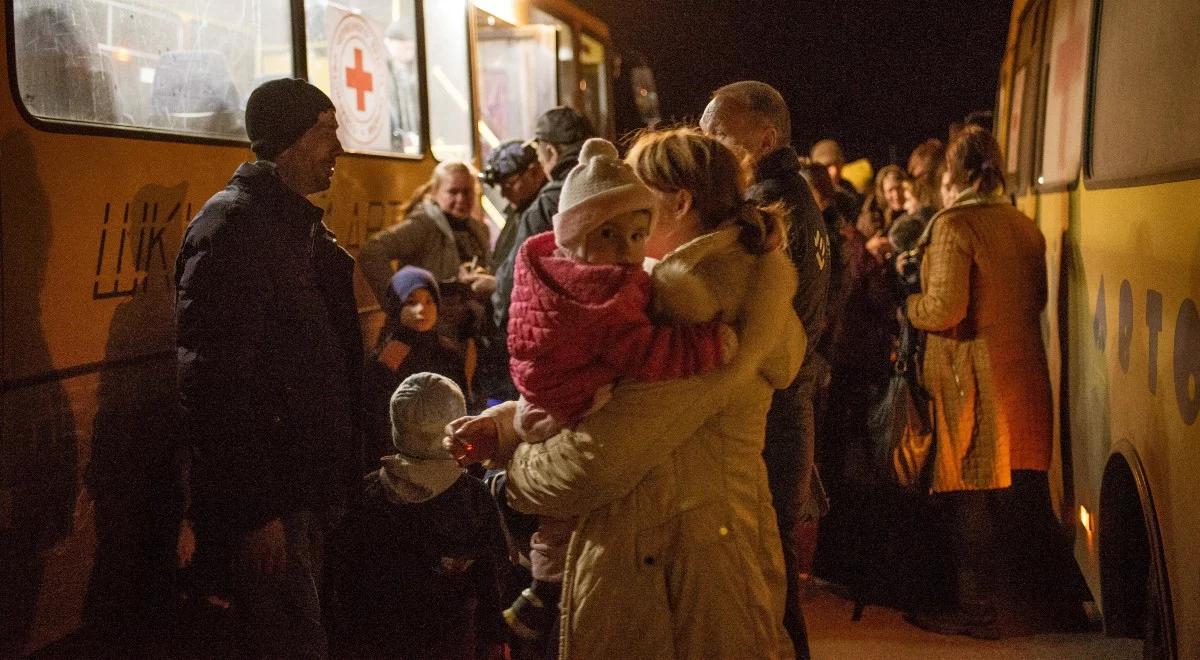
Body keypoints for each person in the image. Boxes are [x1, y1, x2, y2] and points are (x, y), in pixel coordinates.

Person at [447, 128, 804, 659]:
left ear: (679, 204)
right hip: (683, 561)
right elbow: (600, 387)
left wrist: (511, 478)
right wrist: (502, 425)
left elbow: (596, 462)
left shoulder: (699, 309)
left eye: (641, 196)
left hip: (682, 579)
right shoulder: (673, 294)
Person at [174, 78, 360, 658]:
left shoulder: (291, 227)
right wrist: (255, 513)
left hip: (304, 491)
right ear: (289, 141)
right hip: (273, 503)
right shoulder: (234, 228)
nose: (339, 148)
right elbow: (214, 386)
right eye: (325, 133)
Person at [899, 125, 1083, 638]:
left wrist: (908, 301)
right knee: (1023, 494)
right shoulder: (1025, 226)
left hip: (972, 379)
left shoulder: (954, 227)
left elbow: (945, 308)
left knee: (970, 495)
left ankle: (976, 610)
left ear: (952, 174)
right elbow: (1039, 300)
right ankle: (1054, 605)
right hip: (1025, 373)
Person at [701, 80, 828, 658]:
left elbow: (766, 319)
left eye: (719, 132)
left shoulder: (767, 207)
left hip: (774, 406)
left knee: (766, 566)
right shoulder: (797, 197)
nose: (708, 143)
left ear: (765, 136)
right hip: (792, 399)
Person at [329, 373, 509, 659]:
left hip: (372, 641)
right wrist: (494, 639)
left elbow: (339, 577)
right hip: (448, 643)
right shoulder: (472, 499)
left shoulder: (367, 494)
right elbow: (492, 577)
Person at [490, 107, 596, 400]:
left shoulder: (548, 203)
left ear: (550, 150)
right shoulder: (610, 189)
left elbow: (515, 277)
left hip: (554, 337)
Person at [362, 267, 469, 464]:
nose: (422, 310)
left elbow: (462, 403)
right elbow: (376, 412)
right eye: (411, 302)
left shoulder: (447, 351)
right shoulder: (389, 354)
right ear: (396, 307)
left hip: (444, 455)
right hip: (398, 455)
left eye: (429, 301)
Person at [476, 140, 548, 404]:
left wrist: (493, 284)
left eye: (509, 183)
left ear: (534, 172)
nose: (504, 192)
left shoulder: (539, 211)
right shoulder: (522, 211)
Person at [359, 160, 492, 303]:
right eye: (453, 192)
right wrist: (398, 302)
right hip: (431, 323)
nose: (461, 198)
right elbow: (372, 251)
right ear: (435, 192)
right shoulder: (423, 225)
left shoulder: (479, 229)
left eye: (467, 191)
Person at [810, 138, 862, 224]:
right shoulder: (808, 197)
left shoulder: (850, 193)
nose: (834, 172)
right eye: (827, 166)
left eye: (837, 165)